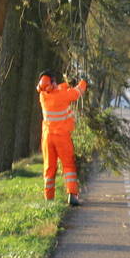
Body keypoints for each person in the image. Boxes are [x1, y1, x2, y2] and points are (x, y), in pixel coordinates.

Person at [37, 70, 87, 206]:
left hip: (47, 138)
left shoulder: (43, 96)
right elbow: (78, 92)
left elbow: (58, 89)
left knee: (49, 168)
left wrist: (66, 83)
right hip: (62, 137)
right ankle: (72, 195)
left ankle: (49, 199)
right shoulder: (63, 96)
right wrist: (83, 81)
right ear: (52, 83)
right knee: (68, 166)